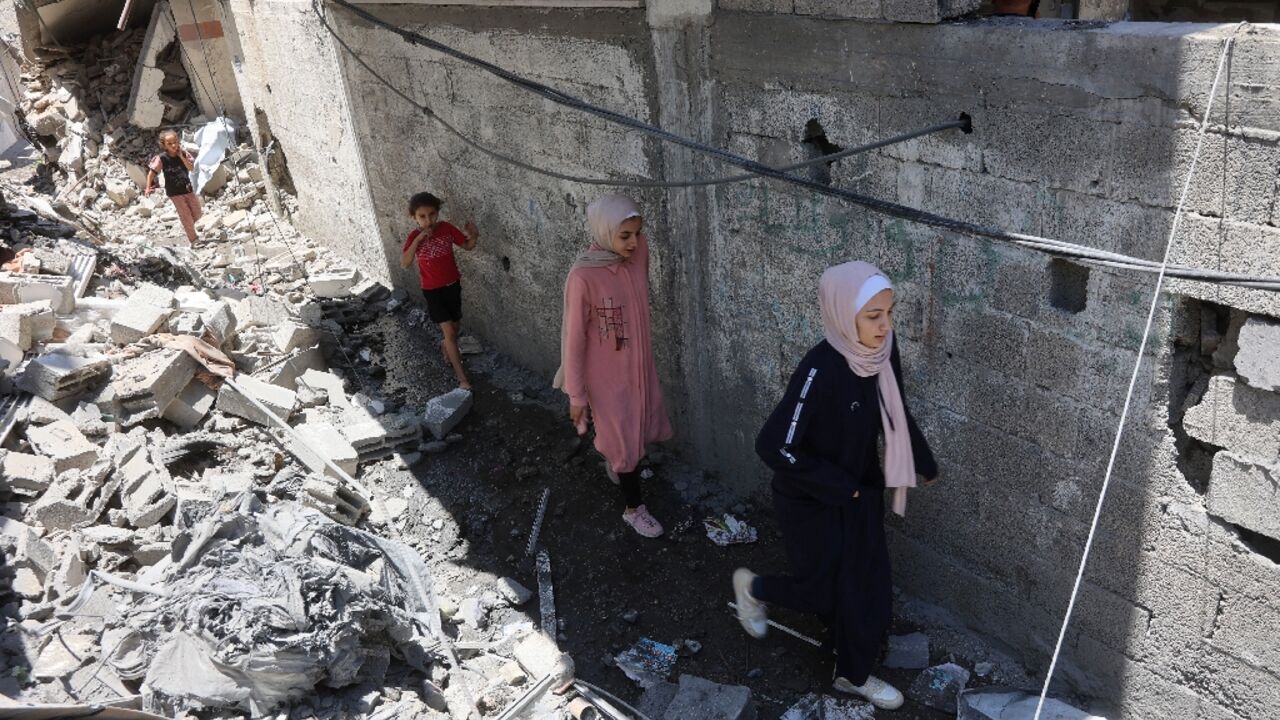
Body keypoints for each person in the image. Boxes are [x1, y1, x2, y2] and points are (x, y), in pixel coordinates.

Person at [732, 261, 939, 710]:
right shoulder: (819, 370)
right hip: (810, 500)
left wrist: (921, 461)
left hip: (860, 492)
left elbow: (893, 407)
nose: (885, 326)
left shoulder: (882, 351)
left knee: (868, 583)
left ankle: (852, 674)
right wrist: (839, 485)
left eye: (890, 312)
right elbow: (773, 446)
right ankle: (753, 588)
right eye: (873, 316)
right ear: (844, 317)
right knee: (823, 589)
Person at [554, 194, 672, 538]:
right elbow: (574, 338)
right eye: (625, 236)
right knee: (623, 437)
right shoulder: (583, 277)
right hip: (607, 376)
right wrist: (577, 394)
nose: (635, 242)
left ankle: (620, 462)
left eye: (638, 232)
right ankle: (634, 509)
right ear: (604, 233)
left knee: (639, 424)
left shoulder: (638, 254)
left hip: (638, 365)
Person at [400, 191, 479, 390]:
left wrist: (474, 235)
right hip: (433, 291)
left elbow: (467, 246)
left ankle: (445, 346)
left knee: (454, 329)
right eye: (422, 217)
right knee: (450, 334)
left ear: (437, 213)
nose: (428, 220)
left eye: (432, 214)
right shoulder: (414, 237)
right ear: (414, 218)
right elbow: (405, 263)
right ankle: (462, 378)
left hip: (452, 286)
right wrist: (418, 240)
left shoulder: (446, 229)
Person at [144, 130, 202, 245]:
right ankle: (194, 240)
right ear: (164, 145)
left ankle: (198, 231)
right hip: (175, 192)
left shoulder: (184, 154)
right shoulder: (162, 158)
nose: (174, 145)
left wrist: (181, 156)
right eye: (170, 144)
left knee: (197, 212)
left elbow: (191, 168)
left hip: (187, 189)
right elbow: (152, 173)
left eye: (175, 142)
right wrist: (147, 187)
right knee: (185, 216)